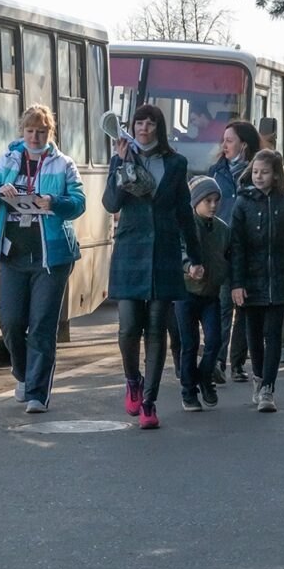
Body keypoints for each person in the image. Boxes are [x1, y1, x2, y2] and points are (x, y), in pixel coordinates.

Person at [0, 105, 86, 414]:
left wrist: (54, 202)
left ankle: (37, 393)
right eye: (30, 131)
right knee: (10, 322)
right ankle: (24, 375)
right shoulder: (9, 160)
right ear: (22, 132)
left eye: (41, 131)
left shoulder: (63, 164)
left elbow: (78, 203)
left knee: (41, 325)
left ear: (49, 133)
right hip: (13, 255)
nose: (35, 137)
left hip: (51, 258)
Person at [104, 104, 203, 430]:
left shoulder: (176, 163)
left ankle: (149, 401)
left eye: (150, 123)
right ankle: (133, 379)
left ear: (159, 128)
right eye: (139, 123)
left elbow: (184, 213)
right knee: (129, 327)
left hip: (164, 251)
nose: (144, 128)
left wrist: (196, 256)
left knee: (157, 329)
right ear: (131, 127)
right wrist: (119, 162)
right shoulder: (122, 158)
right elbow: (111, 204)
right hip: (131, 250)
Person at [230, 150, 284, 412]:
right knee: (253, 332)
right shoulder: (242, 203)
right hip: (251, 280)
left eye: (264, 172)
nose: (259, 176)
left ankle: (268, 387)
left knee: (273, 333)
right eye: (255, 171)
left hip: (281, 277)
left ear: (276, 175)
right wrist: (237, 283)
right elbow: (236, 247)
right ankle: (258, 376)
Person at [208, 120, 260, 383]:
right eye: (224, 140)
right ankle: (217, 360)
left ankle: (238, 362)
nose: (224, 145)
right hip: (222, 248)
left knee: (245, 308)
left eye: (230, 140)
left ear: (244, 144)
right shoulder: (216, 172)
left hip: (251, 249)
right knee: (222, 305)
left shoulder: (258, 174)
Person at [176, 176, 230, 412]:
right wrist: (189, 267)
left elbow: (229, 257)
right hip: (186, 294)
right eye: (207, 200)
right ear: (195, 202)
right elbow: (178, 251)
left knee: (215, 341)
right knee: (189, 344)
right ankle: (189, 392)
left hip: (211, 294)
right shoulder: (185, 225)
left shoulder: (222, 229)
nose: (213, 205)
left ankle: (204, 377)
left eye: (216, 200)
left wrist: (231, 280)